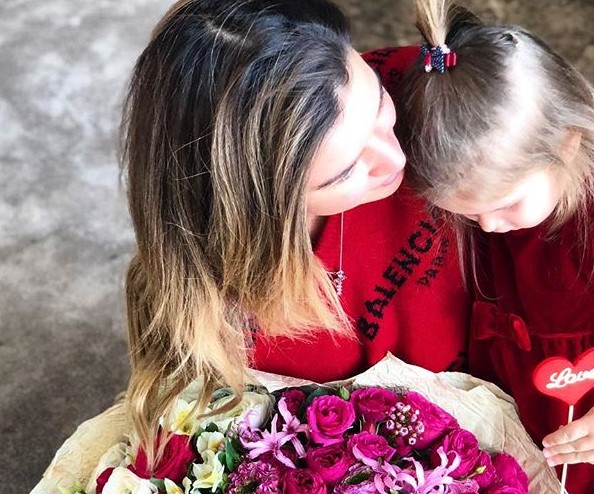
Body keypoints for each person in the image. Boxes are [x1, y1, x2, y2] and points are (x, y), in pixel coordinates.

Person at [121, 0, 470, 467]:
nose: (398, 158)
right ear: (259, 209)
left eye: (378, 105)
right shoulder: (221, 318)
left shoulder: (427, 82)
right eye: (345, 171)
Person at [389, 1, 594, 493]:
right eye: (467, 213)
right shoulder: (517, 180)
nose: (488, 225)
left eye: (506, 205)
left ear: (566, 144)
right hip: (543, 369)